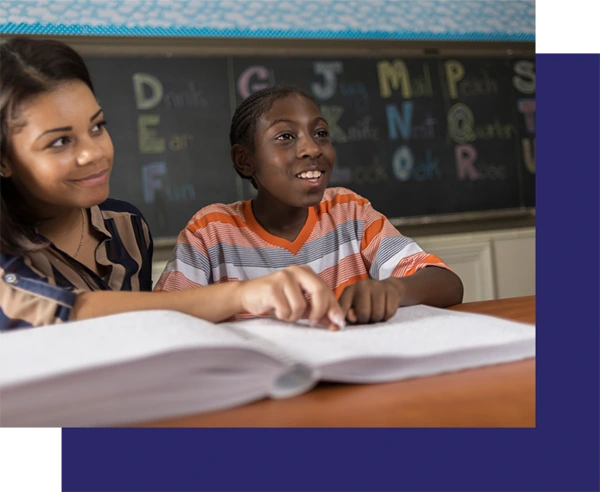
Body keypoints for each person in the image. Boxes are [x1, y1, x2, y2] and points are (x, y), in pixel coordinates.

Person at [0, 38, 345, 332]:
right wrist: (242, 294)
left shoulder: (127, 227)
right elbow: (71, 313)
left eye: (97, 127)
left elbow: (147, 334)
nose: (94, 153)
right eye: (60, 142)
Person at [156, 85, 464, 324]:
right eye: (286, 136)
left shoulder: (349, 211)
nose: (311, 148)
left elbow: (447, 283)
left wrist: (394, 290)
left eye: (320, 133)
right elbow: (165, 317)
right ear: (244, 160)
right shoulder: (211, 232)